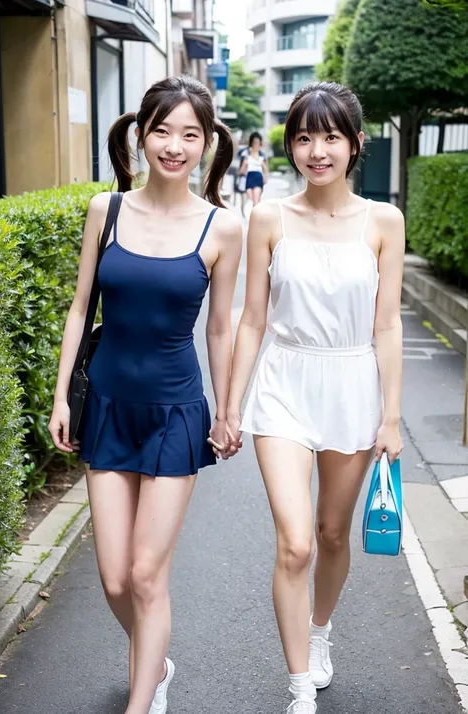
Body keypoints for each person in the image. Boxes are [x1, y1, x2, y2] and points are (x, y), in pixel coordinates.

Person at [48, 75, 242, 714]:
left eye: (191, 134)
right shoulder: (107, 210)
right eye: (163, 130)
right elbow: (80, 310)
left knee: (145, 574)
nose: (175, 145)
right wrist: (59, 398)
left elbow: (220, 326)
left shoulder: (221, 227)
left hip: (176, 413)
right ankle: (153, 661)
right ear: (141, 135)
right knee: (112, 578)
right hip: (105, 406)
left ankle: (142, 701)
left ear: (208, 143)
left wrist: (227, 409)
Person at [226, 82, 404, 714]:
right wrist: (231, 406)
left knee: (332, 535)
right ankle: (300, 686)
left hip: (353, 383)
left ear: (356, 144)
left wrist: (391, 415)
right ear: (291, 146)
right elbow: (251, 319)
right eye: (304, 137)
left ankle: (321, 631)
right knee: (295, 541)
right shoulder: (268, 218)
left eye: (331, 136)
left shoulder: (384, 221)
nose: (317, 150)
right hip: (284, 386)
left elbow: (387, 324)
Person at [239, 132, 269, 208]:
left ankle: (255, 218)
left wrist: (265, 178)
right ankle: (254, 215)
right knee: (250, 199)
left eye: (258, 142)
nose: (256, 144)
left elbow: (266, 169)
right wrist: (245, 164)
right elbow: (240, 172)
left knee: (255, 202)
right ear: (251, 143)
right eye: (254, 142)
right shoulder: (245, 154)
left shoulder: (262, 155)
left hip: (258, 178)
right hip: (249, 178)